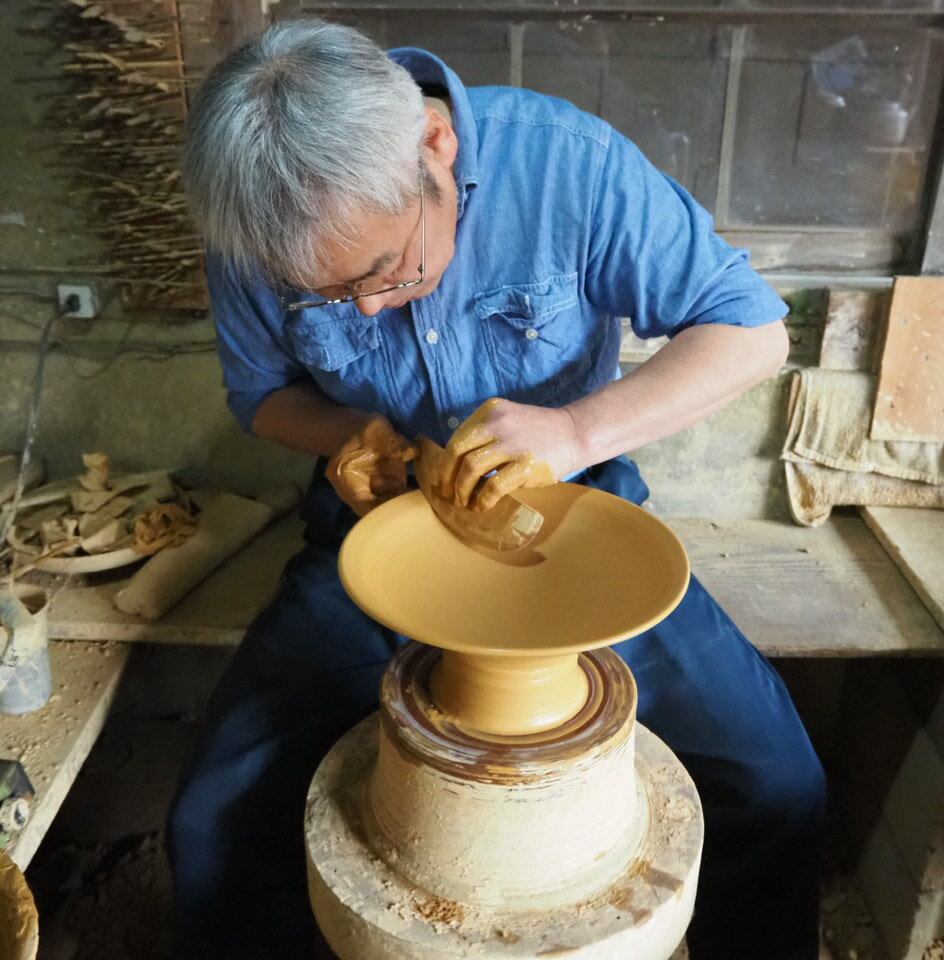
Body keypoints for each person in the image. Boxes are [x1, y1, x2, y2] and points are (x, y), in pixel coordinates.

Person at [169, 19, 826, 960]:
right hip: (374, 528)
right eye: (322, 296)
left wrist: (577, 431)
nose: (362, 308)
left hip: (568, 519)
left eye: (381, 270)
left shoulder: (568, 165)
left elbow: (753, 330)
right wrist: (344, 435)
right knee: (212, 820)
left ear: (437, 146)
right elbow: (262, 397)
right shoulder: (256, 225)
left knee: (776, 783)